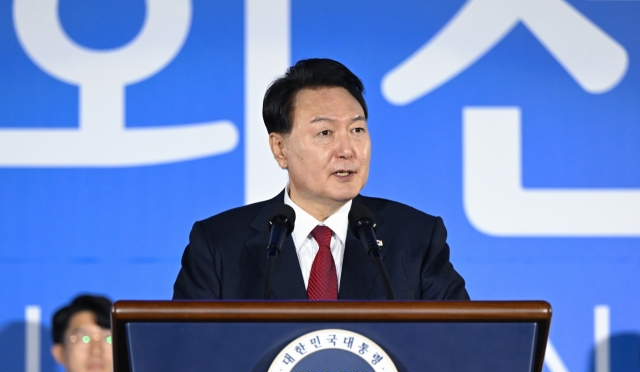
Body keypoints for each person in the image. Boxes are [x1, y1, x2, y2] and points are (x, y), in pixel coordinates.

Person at [173, 58, 469, 301]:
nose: (347, 150)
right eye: (325, 133)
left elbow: (462, 347)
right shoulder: (218, 245)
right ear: (280, 148)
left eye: (357, 130)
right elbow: (187, 357)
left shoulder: (417, 237)